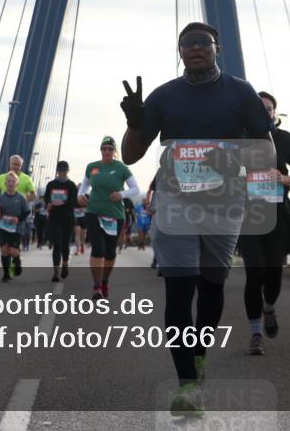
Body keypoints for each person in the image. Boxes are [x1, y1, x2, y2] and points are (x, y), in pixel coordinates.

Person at [120, 22, 274, 416]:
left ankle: (199, 354)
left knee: (211, 287)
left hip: (224, 203)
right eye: (186, 44)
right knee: (179, 290)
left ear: (217, 48)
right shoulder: (164, 96)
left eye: (202, 42)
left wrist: (234, 160)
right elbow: (131, 156)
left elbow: (265, 149)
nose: (194, 48)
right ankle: (187, 384)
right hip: (176, 202)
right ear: (180, 52)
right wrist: (135, 123)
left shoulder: (240, 92)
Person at [238, 91, 290, 357]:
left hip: (276, 216)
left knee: (273, 274)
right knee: (254, 273)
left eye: (268, 108)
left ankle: (268, 308)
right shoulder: (239, 140)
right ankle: (256, 333)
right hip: (247, 216)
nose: (264, 112)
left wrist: (282, 179)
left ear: (274, 113)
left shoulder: (285, 140)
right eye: (259, 108)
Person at [77, 136, 141, 300]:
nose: (106, 152)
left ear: (114, 151)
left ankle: (105, 281)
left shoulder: (121, 168)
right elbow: (84, 185)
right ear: (100, 150)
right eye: (104, 148)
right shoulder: (92, 167)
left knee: (110, 253)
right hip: (94, 212)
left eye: (110, 149)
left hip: (114, 215)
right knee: (97, 249)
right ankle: (97, 286)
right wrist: (81, 195)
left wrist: (121, 194)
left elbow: (135, 189)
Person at [44, 161, 77, 282]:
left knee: (65, 244)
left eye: (64, 171)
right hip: (55, 218)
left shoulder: (71, 185)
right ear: (57, 171)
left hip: (68, 218)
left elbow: (74, 201)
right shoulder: (51, 184)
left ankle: (65, 264)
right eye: (60, 171)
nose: (62, 173)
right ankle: (56, 272)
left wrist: (62, 202)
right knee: (57, 244)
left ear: (68, 171)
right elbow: (47, 197)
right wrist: (48, 203)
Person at [0, 171, 30, 281]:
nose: (10, 183)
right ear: (5, 183)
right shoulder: (0, 198)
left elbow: (27, 212)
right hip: (4, 226)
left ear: (17, 184)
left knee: (13, 252)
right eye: (8, 181)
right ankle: (6, 274)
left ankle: (17, 261)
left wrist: (18, 218)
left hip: (17, 228)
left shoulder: (21, 198)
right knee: (4, 250)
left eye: (13, 181)